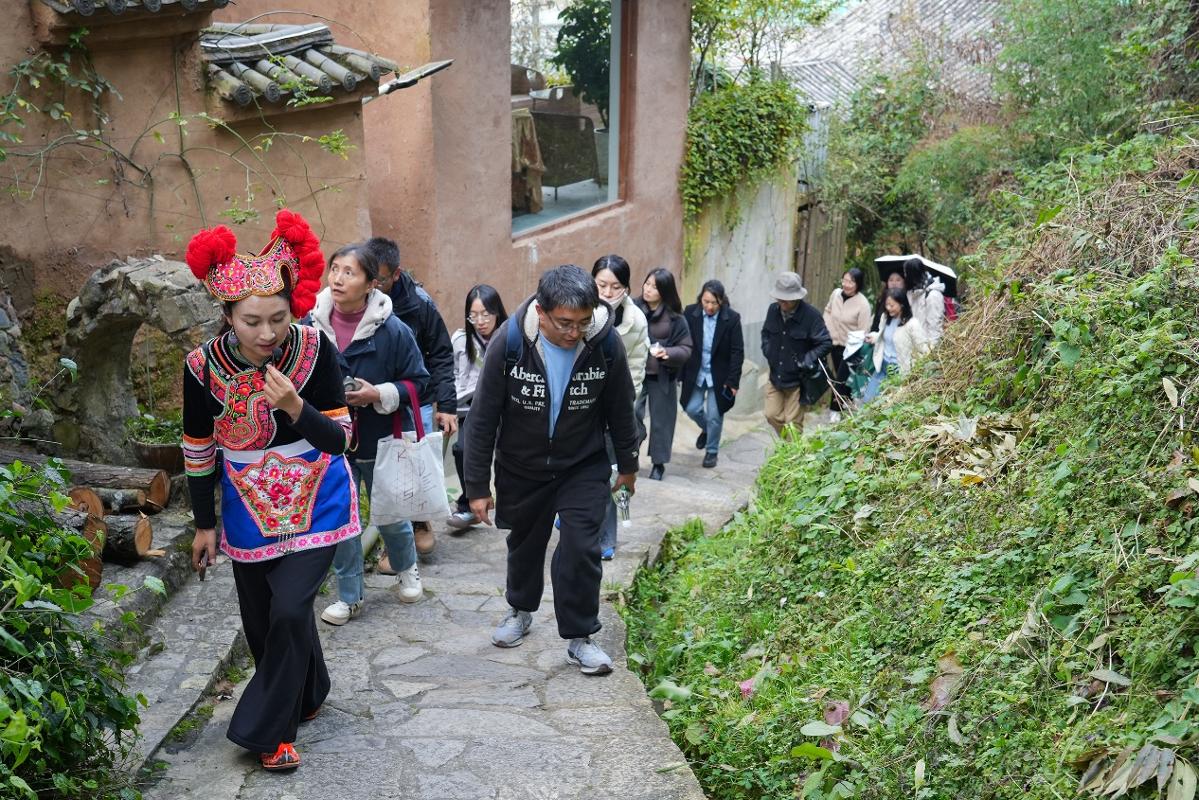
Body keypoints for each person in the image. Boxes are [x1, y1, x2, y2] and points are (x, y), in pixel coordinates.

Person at [183, 209, 356, 771]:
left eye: (278, 319)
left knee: (288, 607)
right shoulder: (200, 368)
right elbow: (198, 449)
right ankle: (309, 690)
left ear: (292, 310)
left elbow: (342, 439)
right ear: (227, 315)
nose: (266, 333)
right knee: (263, 620)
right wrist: (204, 524)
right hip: (245, 505)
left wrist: (295, 407)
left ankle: (269, 732)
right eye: (251, 321)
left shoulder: (316, 349)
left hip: (319, 496)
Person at [463, 265, 639, 675]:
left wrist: (628, 466)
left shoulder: (605, 343)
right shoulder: (510, 342)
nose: (574, 332)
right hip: (522, 466)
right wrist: (476, 485)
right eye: (564, 323)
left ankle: (581, 637)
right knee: (525, 544)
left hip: (582, 465)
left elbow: (621, 409)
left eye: (582, 322)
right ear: (541, 312)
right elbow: (483, 417)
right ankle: (520, 610)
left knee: (582, 547)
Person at [306, 242, 430, 625]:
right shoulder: (310, 327)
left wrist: (378, 394)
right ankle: (350, 596)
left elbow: (419, 382)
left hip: (380, 438)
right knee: (341, 520)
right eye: (335, 269)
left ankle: (407, 569)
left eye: (350, 272)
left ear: (371, 283)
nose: (338, 279)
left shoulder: (392, 330)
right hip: (332, 442)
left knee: (390, 515)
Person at [367, 237, 454, 557]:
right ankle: (394, 540)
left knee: (414, 463)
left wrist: (446, 404)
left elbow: (441, 353)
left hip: (415, 398)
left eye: (381, 280)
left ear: (397, 273)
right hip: (370, 399)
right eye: (369, 278)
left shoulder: (419, 304)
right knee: (381, 471)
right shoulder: (355, 302)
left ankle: (418, 522)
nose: (373, 286)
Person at [591, 254, 649, 559]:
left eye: (615, 287)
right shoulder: (580, 311)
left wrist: (621, 411)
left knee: (615, 473)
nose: (608, 292)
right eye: (602, 285)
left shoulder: (635, 321)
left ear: (626, 288)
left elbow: (636, 373)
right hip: (583, 406)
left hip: (618, 409)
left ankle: (608, 537)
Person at [446, 284, 508, 530]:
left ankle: (506, 503)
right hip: (469, 408)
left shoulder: (508, 336)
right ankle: (467, 505)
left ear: (497, 312)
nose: (480, 321)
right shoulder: (461, 340)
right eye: (474, 316)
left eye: (486, 314)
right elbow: (451, 372)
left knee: (506, 455)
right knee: (462, 450)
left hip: (504, 409)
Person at [633, 268, 692, 480]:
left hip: (662, 376)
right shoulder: (632, 309)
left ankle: (658, 464)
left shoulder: (676, 318)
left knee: (662, 422)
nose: (648, 289)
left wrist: (667, 353)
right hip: (636, 372)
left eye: (654, 287)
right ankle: (630, 453)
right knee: (631, 413)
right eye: (647, 284)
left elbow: (686, 348)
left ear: (664, 291)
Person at [679, 279, 744, 469]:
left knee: (715, 415)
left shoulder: (732, 319)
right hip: (696, 372)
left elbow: (737, 352)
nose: (709, 306)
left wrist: (733, 381)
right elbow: (683, 342)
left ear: (721, 301)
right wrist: (680, 373)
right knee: (691, 408)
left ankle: (712, 451)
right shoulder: (690, 313)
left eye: (714, 303)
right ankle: (707, 430)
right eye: (706, 301)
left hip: (720, 375)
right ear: (701, 299)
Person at [760, 271, 832, 437]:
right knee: (771, 415)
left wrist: (805, 360)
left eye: (787, 299)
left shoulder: (811, 316)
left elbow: (825, 343)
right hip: (776, 376)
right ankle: (789, 446)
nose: (782, 302)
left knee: (792, 424)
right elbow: (766, 334)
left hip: (798, 380)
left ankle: (791, 450)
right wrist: (768, 351)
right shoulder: (773, 310)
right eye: (780, 298)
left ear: (797, 297)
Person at [822, 268, 872, 422]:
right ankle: (847, 407)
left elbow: (863, 331)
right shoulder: (836, 294)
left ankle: (835, 410)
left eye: (851, 282)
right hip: (834, 345)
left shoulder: (863, 304)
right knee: (842, 379)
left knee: (840, 379)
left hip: (850, 349)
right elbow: (828, 311)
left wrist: (856, 349)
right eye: (844, 280)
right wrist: (828, 329)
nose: (846, 284)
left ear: (858, 284)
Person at [862, 287, 925, 402]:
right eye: (887, 305)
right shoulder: (885, 318)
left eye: (892, 305)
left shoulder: (912, 324)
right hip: (883, 366)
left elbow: (924, 349)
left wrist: (915, 370)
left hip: (899, 370)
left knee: (889, 403)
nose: (888, 308)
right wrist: (874, 337)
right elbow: (885, 336)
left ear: (902, 304)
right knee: (868, 400)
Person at [903, 257, 946, 346]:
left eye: (906, 273)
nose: (905, 276)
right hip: (914, 345)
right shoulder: (912, 293)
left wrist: (931, 349)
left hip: (927, 346)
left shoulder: (933, 295)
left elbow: (935, 326)